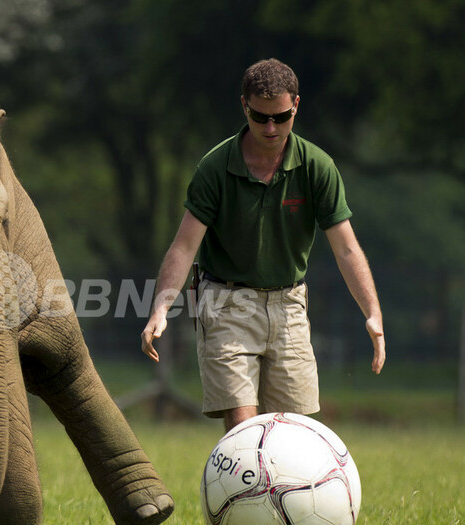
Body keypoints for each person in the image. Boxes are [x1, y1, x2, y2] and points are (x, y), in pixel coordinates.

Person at [141, 58, 385, 432]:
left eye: (281, 116)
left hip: (289, 305)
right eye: (260, 117)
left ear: (296, 105)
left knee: (292, 434)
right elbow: (184, 246)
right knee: (244, 429)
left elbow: (347, 249)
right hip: (227, 303)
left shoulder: (318, 167)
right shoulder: (215, 167)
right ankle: (242, 492)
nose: (271, 127)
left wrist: (372, 312)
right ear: (244, 107)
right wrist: (160, 308)